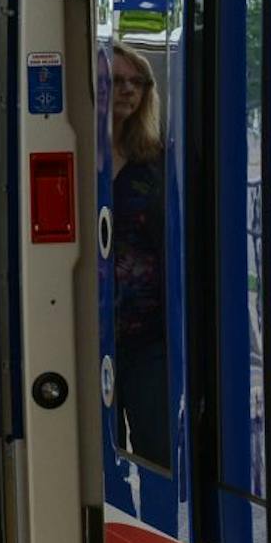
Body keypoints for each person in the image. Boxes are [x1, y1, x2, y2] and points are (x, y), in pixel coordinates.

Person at [111, 42, 169, 466]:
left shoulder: (156, 162)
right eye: (115, 81)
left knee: (156, 451)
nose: (128, 90)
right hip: (88, 336)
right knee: (100, 456)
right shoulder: (77, 156)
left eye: (138, 82)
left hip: (150, 336)